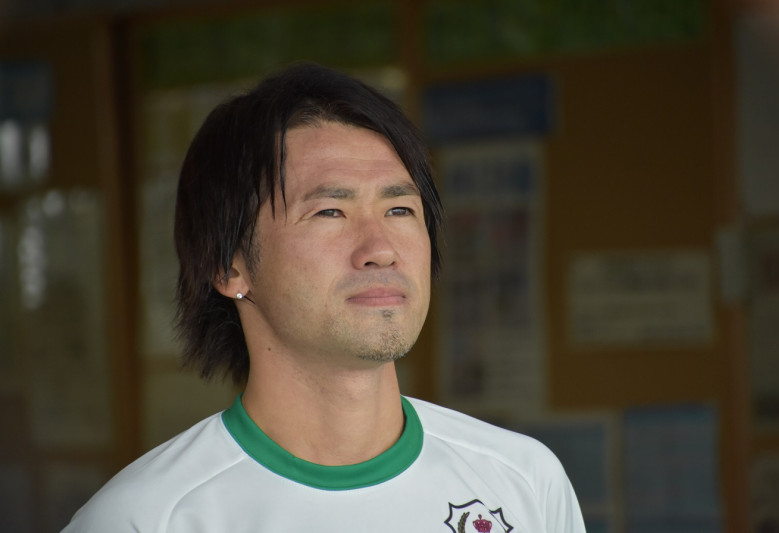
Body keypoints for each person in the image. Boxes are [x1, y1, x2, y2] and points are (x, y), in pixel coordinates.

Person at [64, 63, 585, 532]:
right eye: (330, 212)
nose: (381, 249)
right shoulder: (146, 518)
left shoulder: (524, 482)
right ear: (228, 266)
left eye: (400, 210)